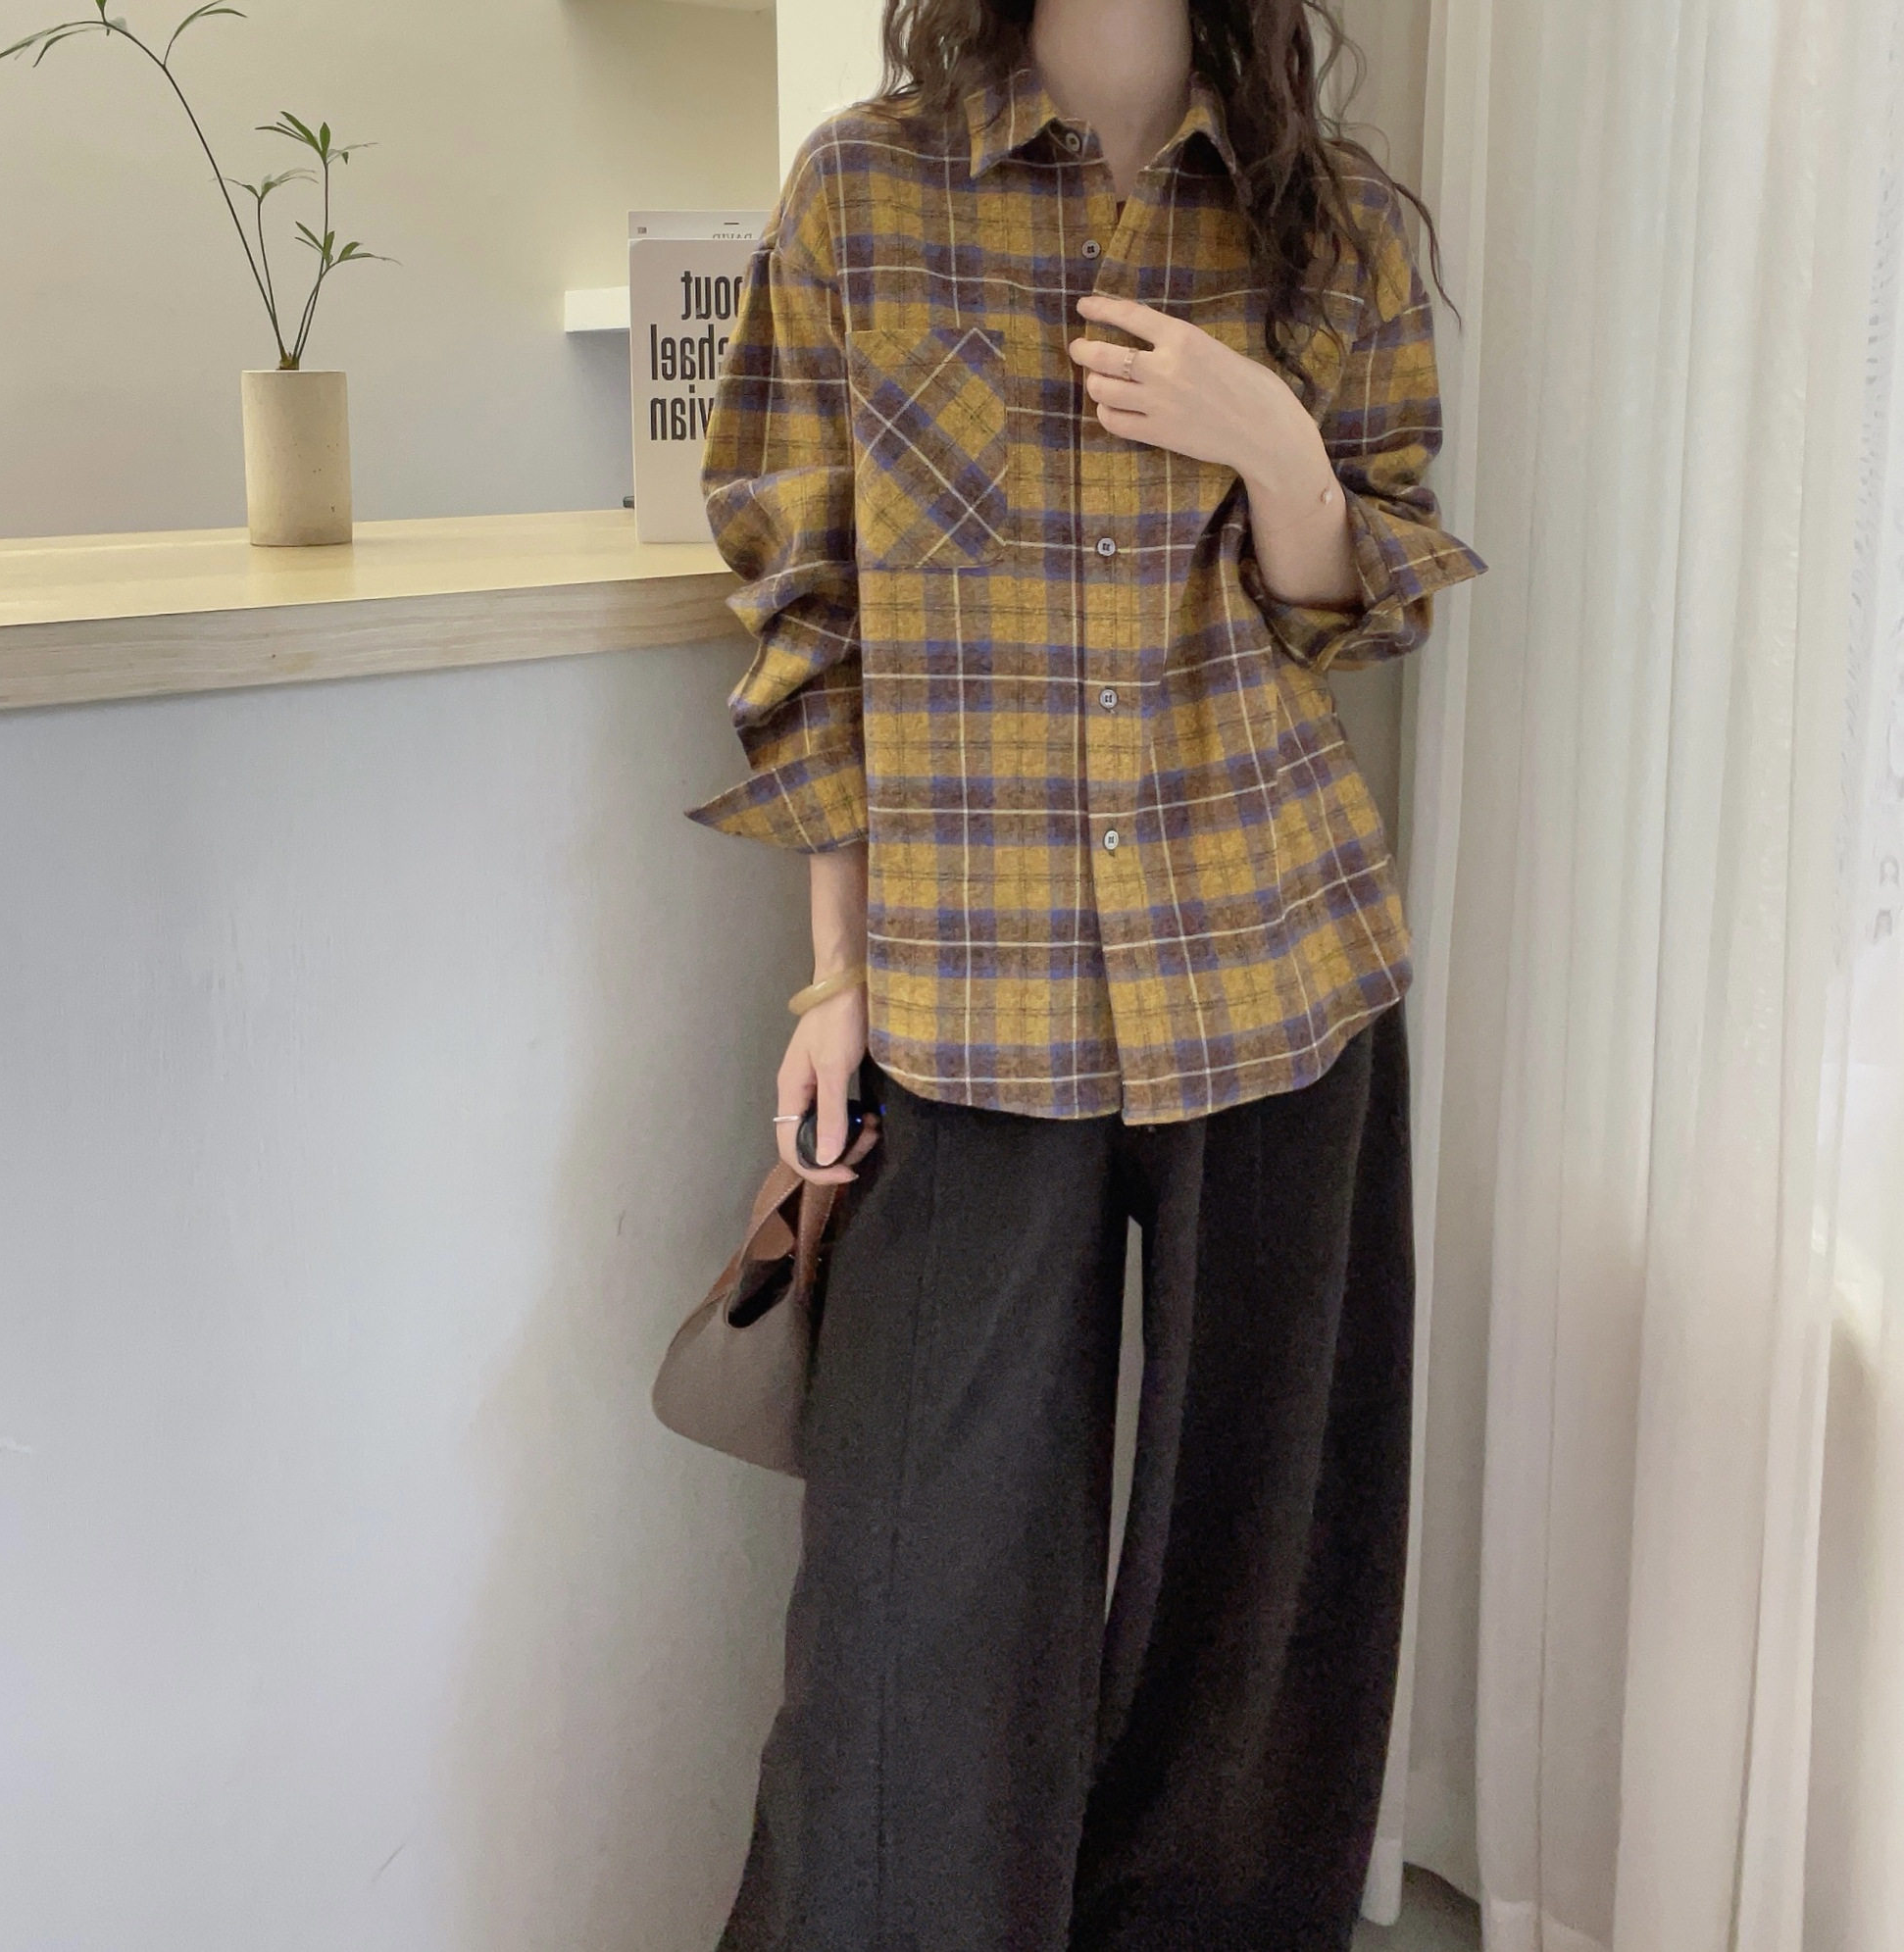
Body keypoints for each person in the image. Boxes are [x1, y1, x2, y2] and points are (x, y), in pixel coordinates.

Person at [683, 0, 1486, 1941]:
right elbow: (806, 612)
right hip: (969, 992)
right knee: (910, 1605)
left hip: (1277, 970)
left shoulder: (1330, 219)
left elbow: (1362, 601)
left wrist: (1273, 444)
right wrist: (831, 981)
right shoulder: (866, 191)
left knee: (1254, 1599)